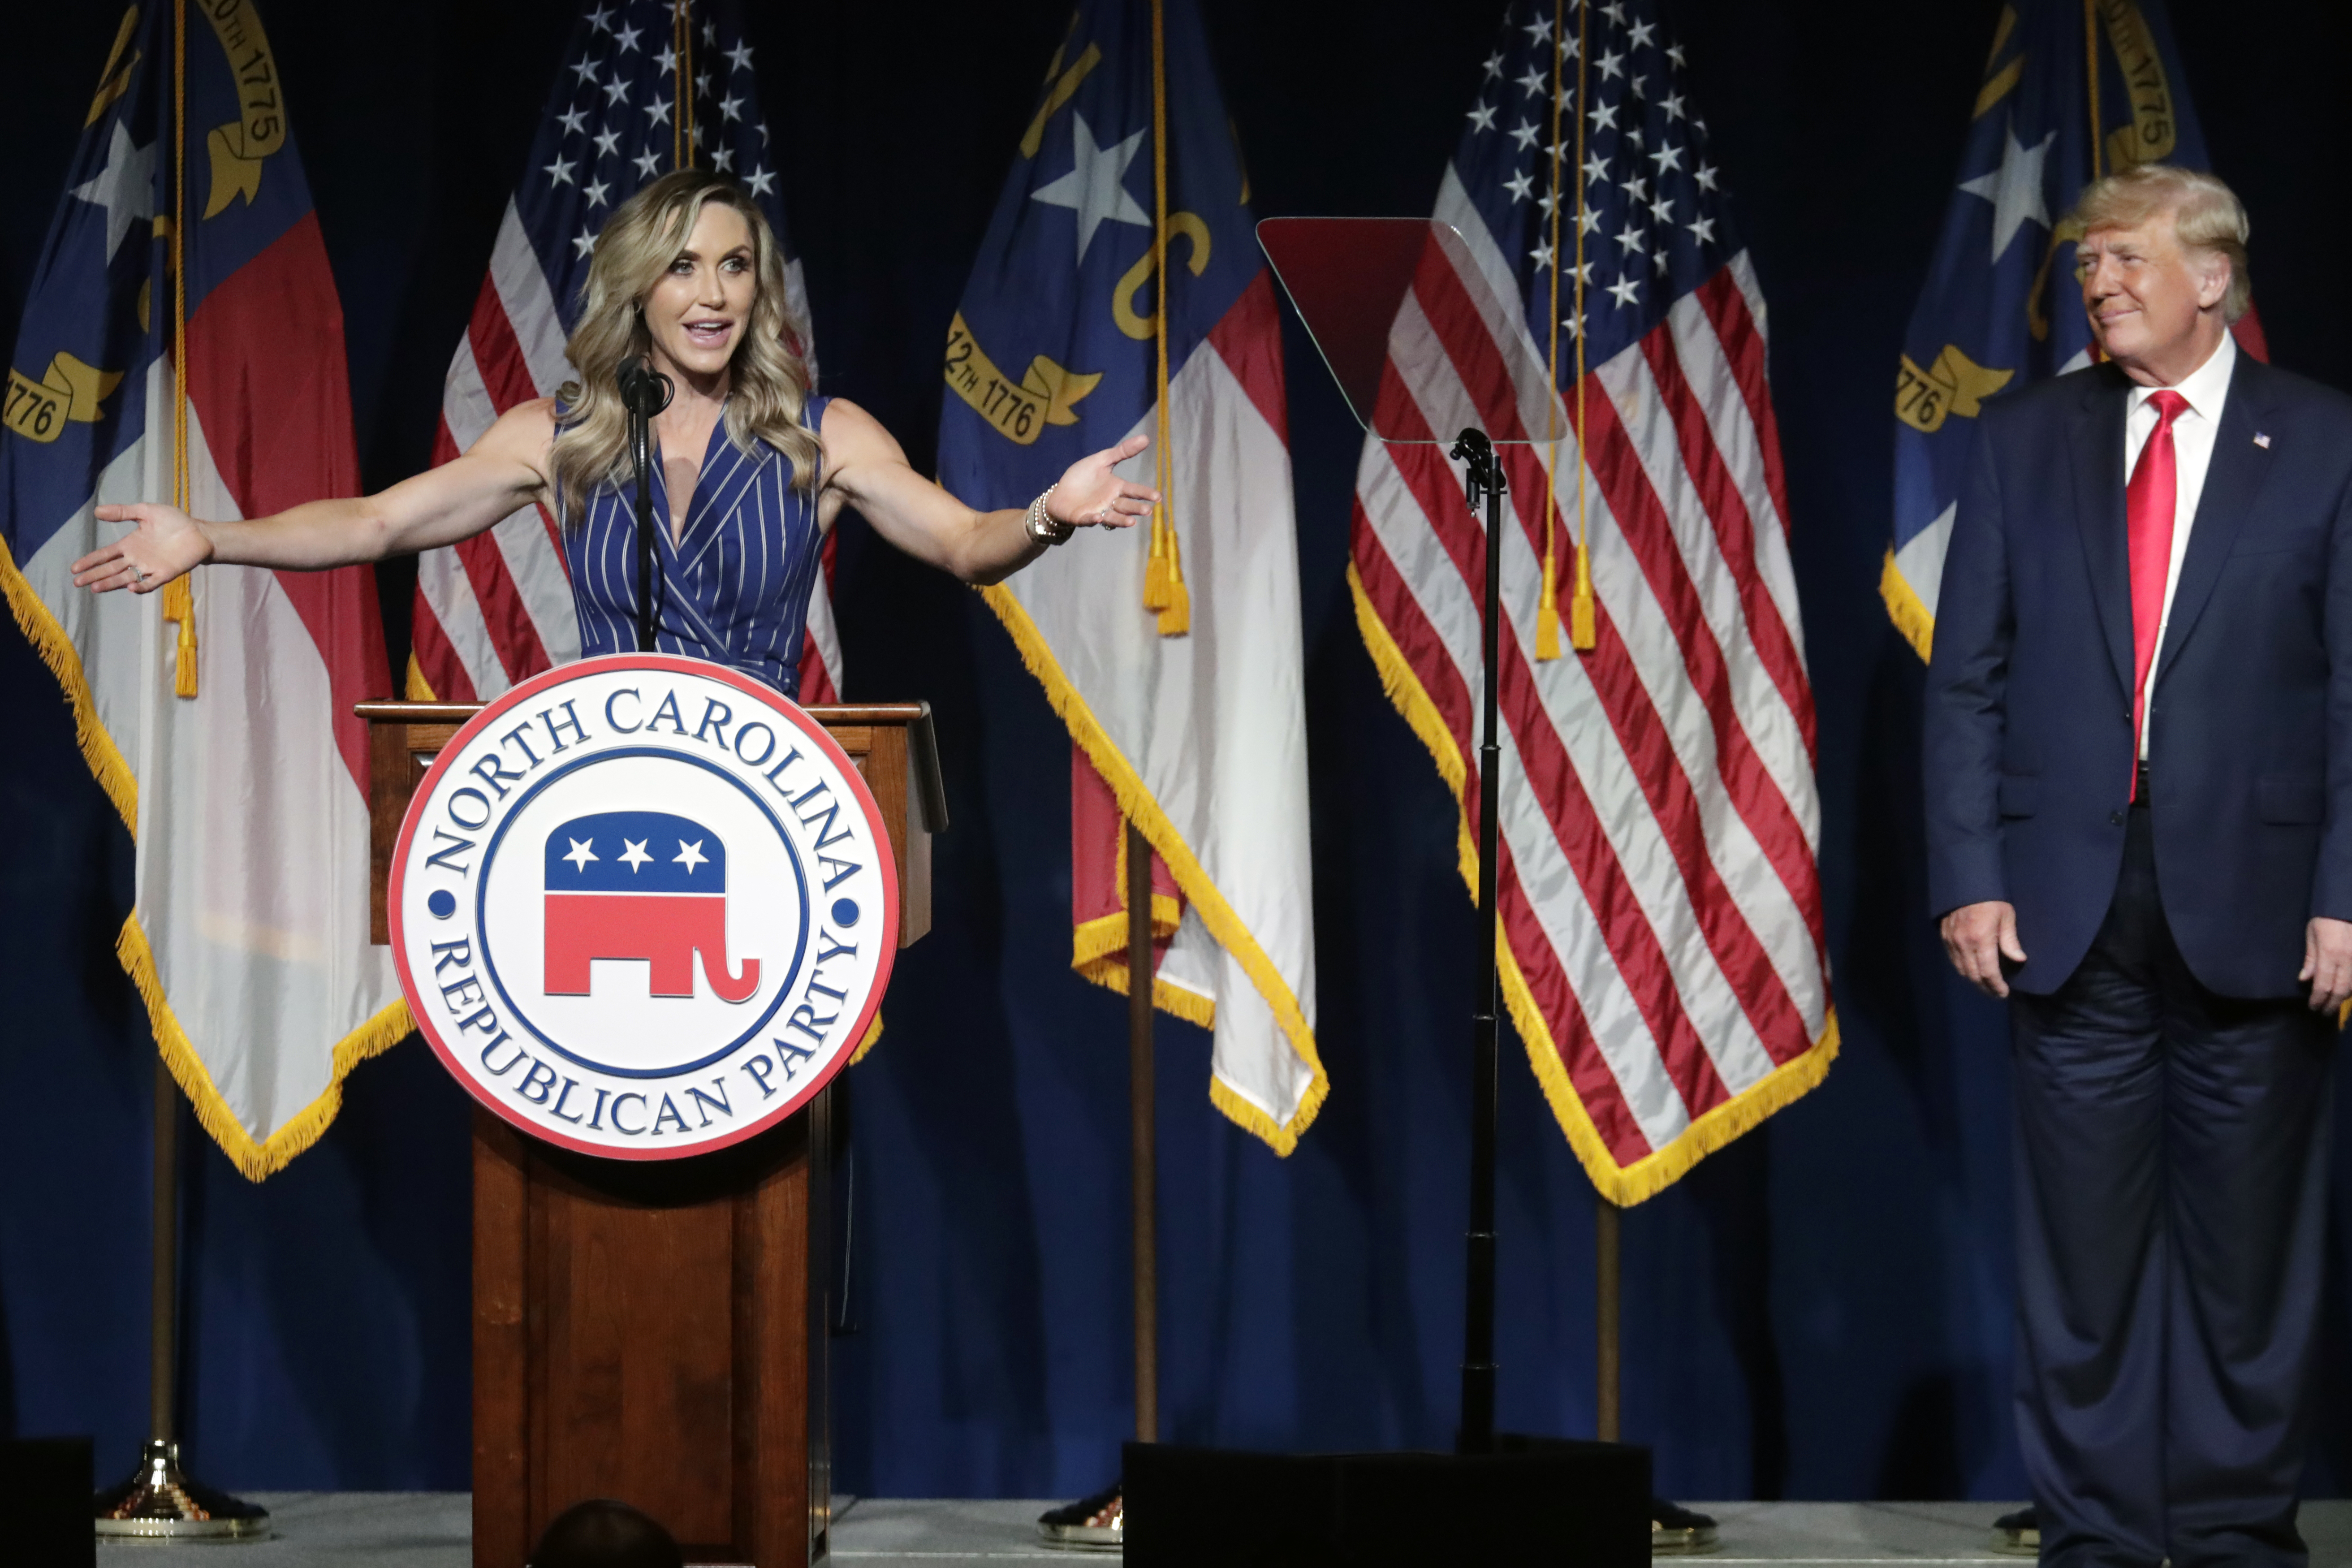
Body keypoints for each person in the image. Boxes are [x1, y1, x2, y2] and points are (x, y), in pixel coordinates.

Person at [1925, 163, 2348, 1568]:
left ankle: (2232, 1531)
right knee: (2084, 1258)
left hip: (2264, 902)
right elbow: (1966, 679)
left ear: (2212, 275)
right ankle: (2098, 1532)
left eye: (2122, 260)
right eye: (2087, 263)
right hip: (2064, 901)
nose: (2097, 283)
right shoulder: (2022, 437)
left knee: (2249, 1258)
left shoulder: (2326, 439)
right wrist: (1968, 870)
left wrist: (2347, 889)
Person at [70, 170, 1157, 687]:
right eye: (683, 267)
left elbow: (969, 546)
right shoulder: (559, 434)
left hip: (774, 798)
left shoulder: (825, 437)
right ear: (638, 288)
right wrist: (215, 538)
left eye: (735, 265)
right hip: (600, 794)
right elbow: (377, 523)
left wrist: (1047, 516)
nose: (714, 294)